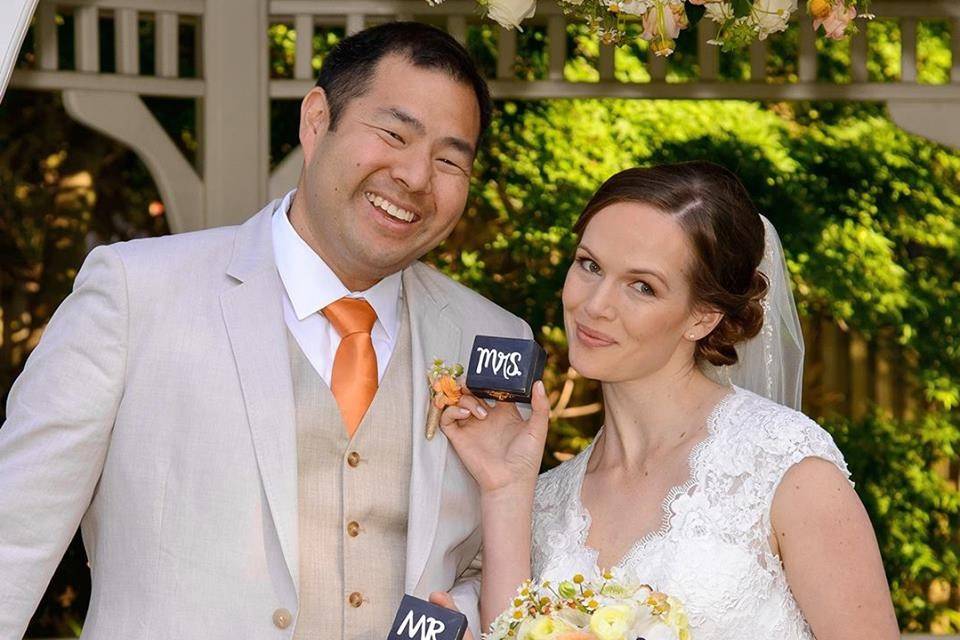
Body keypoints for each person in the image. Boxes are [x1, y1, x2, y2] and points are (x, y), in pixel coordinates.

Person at [0, 22, 530, 639]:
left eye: (448, 159)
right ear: (315, 120)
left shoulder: (491, 337)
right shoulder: (134, 292)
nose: (415, 177)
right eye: (393, 134)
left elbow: (491, 560)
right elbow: (15, 532)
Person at [436, 163, 900, 639]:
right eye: (589, 265)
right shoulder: (546, 500)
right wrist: (504, 487)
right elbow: (507, 630)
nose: (595, 305)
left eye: (643, 286)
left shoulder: (784, 468)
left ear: (702, 317)